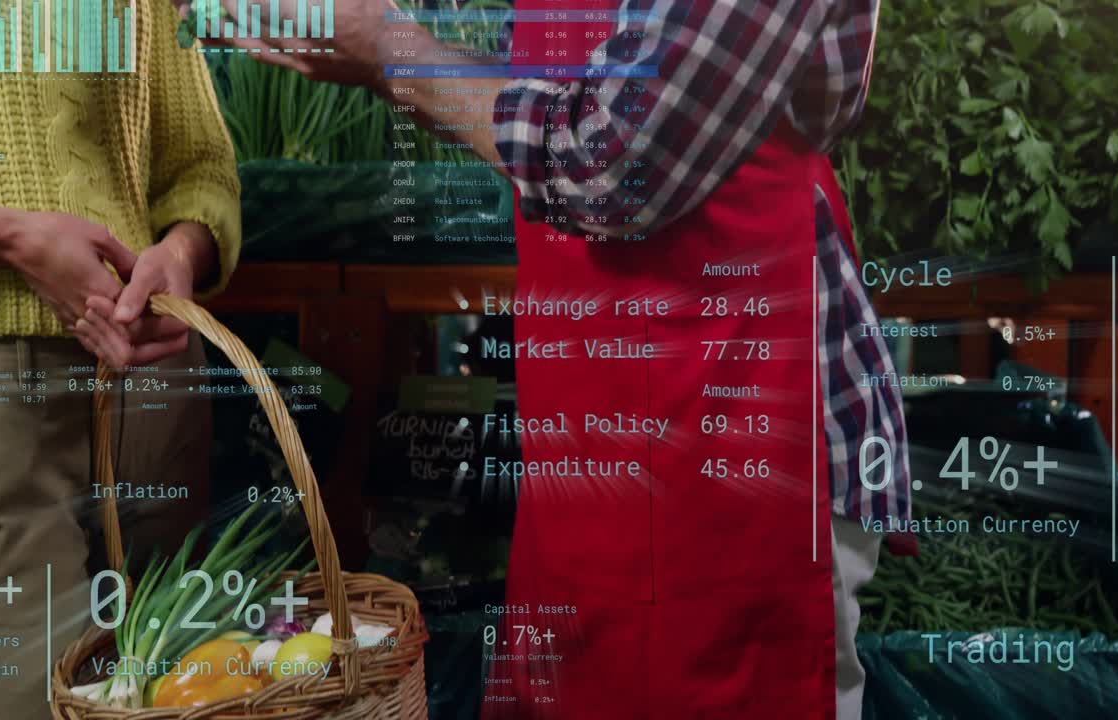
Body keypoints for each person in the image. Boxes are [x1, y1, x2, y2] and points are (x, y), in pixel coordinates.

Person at [149, 0, 910, 717]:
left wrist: (390, 49)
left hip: (737, 423)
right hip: (599, 427)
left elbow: (609, 162)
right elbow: (568, 95)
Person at [0, 1, 241, 717]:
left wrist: (181, 252)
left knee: (198, 696)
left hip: (156, 380)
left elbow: (202, 169)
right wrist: (2, 236)